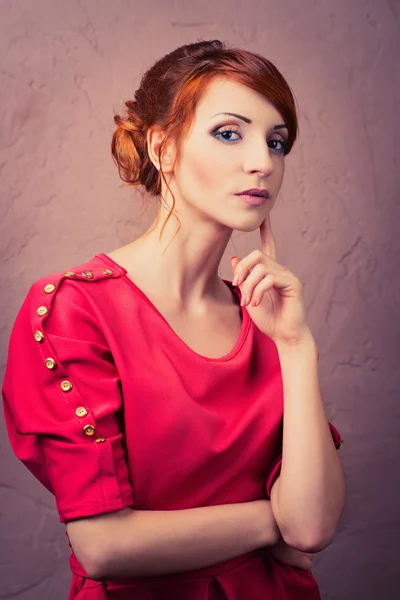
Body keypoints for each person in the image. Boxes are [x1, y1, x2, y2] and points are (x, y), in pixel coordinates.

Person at [2, 39, 346, 599]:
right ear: (162, 148)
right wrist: (269, 521)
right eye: (229, 133)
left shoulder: (266, 316)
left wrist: (297, 346)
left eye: (277, 141)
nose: (262, 160)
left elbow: (310, 527)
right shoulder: (73, 310)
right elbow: (103, 545)